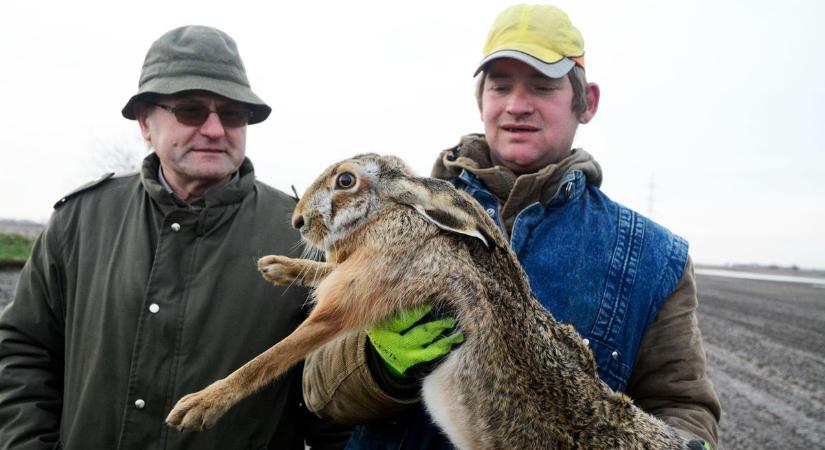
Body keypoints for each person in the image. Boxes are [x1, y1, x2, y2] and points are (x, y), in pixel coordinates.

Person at [301, 4, 721, 450]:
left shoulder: (653, 259)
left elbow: (683, 405)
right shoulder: (382, 219)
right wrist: (374, 364)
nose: (517, 106)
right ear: (480, 99)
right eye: (501, 87)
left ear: (586, 102)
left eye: (543, 87)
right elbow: (318, 392)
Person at [0, 25, 349, 450]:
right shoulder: (79, 221)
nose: (216, 129)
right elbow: (24, 352)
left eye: (233, 113)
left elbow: (334, 401)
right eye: (190, 110)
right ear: (146, 122)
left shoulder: (304, 237)